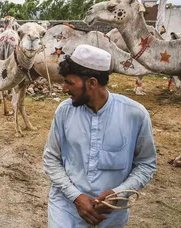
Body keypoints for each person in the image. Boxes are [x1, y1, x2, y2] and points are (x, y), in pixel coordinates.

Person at [43, 44, 157, 228]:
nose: (64, 89)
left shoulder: (135, 114)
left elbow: (146, 164)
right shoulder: (64, 112)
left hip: (111, 213)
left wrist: (118, 193)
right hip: (66, 208)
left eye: (70, 83)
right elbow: (50, 159)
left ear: (92, 83)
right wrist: (76, 197)